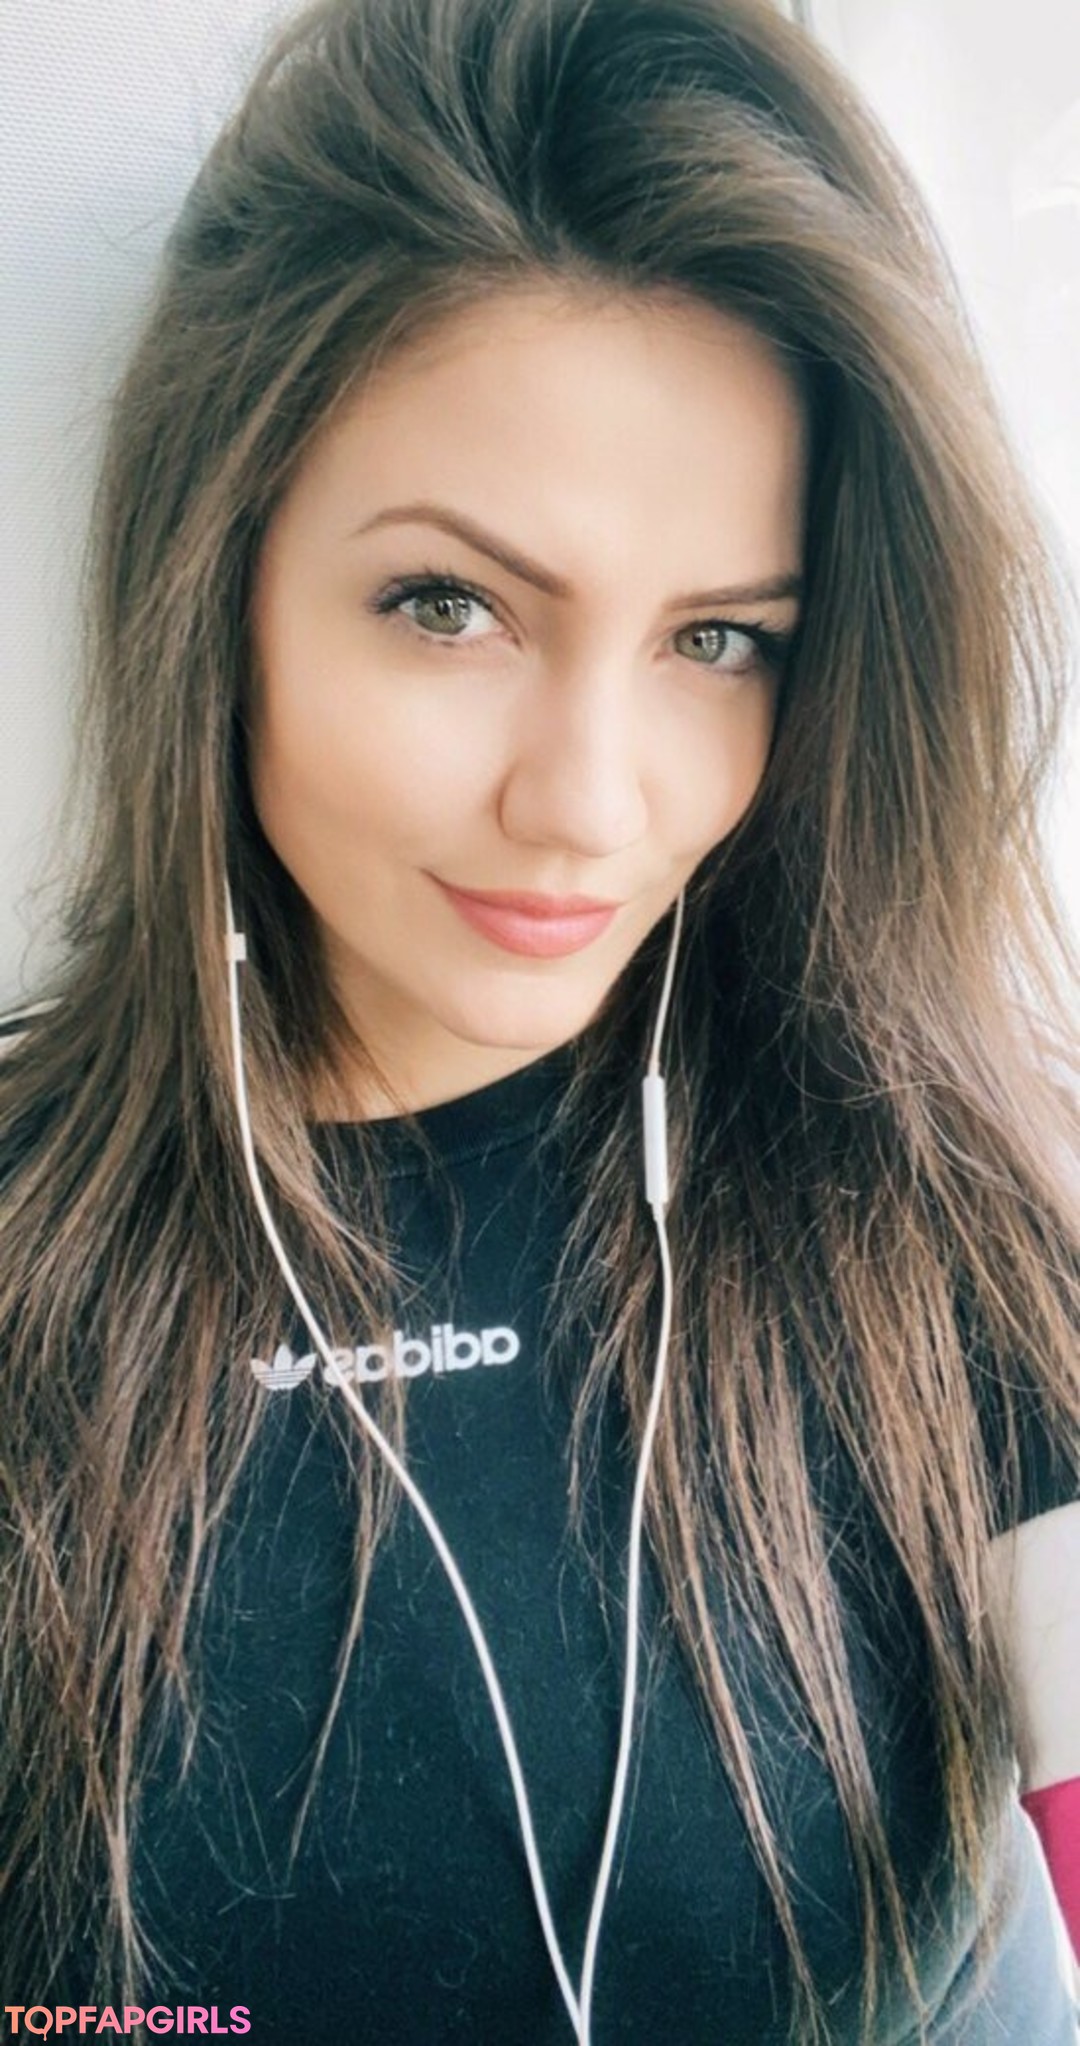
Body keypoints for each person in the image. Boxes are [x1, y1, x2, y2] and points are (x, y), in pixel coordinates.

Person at [1, 0, 1078, 2039]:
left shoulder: (956, 1228)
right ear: (221, 580)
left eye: (718, 638)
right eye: (451, 605)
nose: (588, 803)